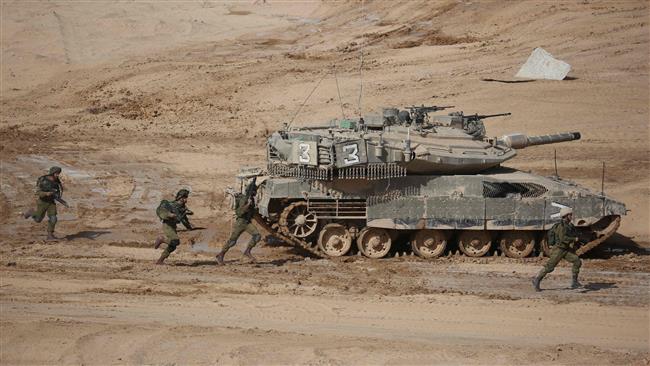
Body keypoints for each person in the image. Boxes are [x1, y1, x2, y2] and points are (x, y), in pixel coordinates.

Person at [532, 207, 582, 291]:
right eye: (570, 215)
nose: (571, 216)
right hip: (558, 250)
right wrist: (573, 239)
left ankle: (574, 282)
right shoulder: (561, 226)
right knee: (549, 267)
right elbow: (563, 238)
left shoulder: (568, 225)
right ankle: (537, 279)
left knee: (577, 261)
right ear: (566, 216)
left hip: (565, 249)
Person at [215, 181, 261, 265]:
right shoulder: (244, 199)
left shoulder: (251, 199)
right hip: (240, 223)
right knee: (232, 241)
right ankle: (220, 255)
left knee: (257, 236)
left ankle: (247, 252)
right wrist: (248, 205)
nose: (255, 193)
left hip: (247, 223)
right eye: (254, 191)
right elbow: (239, 212)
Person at [23, 166, 65, 240]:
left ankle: (50, 235)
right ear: (52, 173)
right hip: (43, 202)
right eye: (56, 173)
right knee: (38, 220)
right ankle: (31, 212)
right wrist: (46, 193)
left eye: (58, 173)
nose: (58, 175)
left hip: (51, 202)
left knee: (53, 218)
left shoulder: (56, 181)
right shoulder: (43, 180)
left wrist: (57, 196)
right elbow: (38, 192)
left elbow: (59, 190)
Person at [154, 189, 194, 265]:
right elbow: (164, 212)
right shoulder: (172, 205)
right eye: (185, 198)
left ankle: (160, 261)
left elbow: (184, 220)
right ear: (181, 198)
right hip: (168, 225)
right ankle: (161, 239)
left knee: (173, 246)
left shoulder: (183, 208)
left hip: (173, 226)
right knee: (176, 241)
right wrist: (170, 214)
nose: (186, 200)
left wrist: (189, 227)